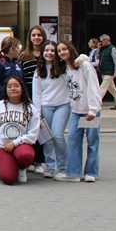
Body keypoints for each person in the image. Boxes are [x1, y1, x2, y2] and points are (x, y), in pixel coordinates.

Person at [58, 41, 102, 183]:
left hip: (89, 111)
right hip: (76, 111)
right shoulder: (67, 68)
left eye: (64, 49)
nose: (62, 52)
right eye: (59, 51)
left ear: (71, 49)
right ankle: (74, 172)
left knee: (92, 141)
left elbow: (93, 86)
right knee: (73, 140)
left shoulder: (85, 65)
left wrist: (93, 109)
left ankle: (91, 172)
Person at [0, 76, 39, 185]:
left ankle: (22, 168)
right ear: (5, 89)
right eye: (9, 86)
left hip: (21, 146)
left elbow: (33, 135)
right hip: (2, 146)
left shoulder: (30, 108)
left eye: (16, 86)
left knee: (25, 155)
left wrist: (14, 143)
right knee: (8, 178)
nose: (13, 88)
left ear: (22, 88)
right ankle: (7, 166)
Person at [33, 41, 75, 181]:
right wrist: (37, 113)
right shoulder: (39, 70)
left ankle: (62, 167)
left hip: (63, 105)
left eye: (52, 50)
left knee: (57, 135)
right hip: (46, 106)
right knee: (48, 139)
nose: (49, 53)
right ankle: (50, 167)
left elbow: (76, 71)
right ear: (42, 52)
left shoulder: (64, 67)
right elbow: (37, 94)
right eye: (47, 50)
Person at [19, 25, 46, 172]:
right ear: (30, 38)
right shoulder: (24, 55)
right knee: (29, 128)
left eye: (39, 35)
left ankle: (41, 160)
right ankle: (30, 159)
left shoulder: (48, 53)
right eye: (34, 35)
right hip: (28, 93)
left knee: (42, 128)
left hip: (45, 94)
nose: (36, 38)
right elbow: (21, 77)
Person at [98, 34, 116, 110]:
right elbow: (97, 57)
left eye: (102, 41)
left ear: (106, 40)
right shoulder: (103, 49)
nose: (101, 42)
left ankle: (96, 103)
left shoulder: (112, 49)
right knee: (112, 89)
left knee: (102, 88)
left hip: (109, 72)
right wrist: (98, 49)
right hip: (104, 72)